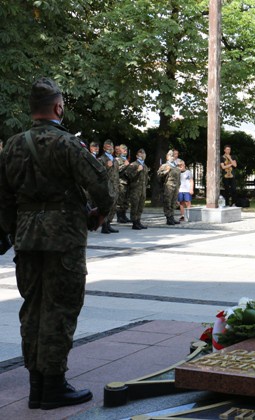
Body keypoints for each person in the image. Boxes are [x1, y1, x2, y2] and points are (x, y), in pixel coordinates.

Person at [0, 77, 112, 409]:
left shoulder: (13, 146)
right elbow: (103, 188)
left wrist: (15, 229)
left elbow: (3, 200)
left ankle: (37, 385)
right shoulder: (67, 145)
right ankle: (53, 386)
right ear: (58, 107)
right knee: (60, 310)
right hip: (64, 238)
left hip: (27, 240)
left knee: (32, 309)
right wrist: (99, 215)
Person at [97, 140, 120, 234]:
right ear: (104, 148)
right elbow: (98, 173)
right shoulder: (101, 159)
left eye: (111, 146)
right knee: (106, 206)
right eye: (108, 146)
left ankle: (109, 224)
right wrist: (106, 166)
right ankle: (104, 225)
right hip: (106, 187)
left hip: (115, 187)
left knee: (113, 207)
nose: (110, 148)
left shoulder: (115, 160)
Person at [125, 149, 149, 230]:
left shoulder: (145, 166)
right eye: (140, 154)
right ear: (137, 155)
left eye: (143, 154)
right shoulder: (133, 164)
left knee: (140, 206)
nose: (142, 155)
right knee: (134, 206)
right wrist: (137, 170)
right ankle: (134, 223)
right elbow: (129, 176)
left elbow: (146, 178)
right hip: (135, 189)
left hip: (142, 189)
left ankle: (138, 221)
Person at [158, 150, 181, 225]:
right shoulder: (164, 166)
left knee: (173, 203)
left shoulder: (176, 166)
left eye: (173, 155)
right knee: (168, 202)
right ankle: (168, 218)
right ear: (167, 157)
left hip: (176, 187)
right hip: (168, 187)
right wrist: (166, 171)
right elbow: (158, 175)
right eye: (170, 155)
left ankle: (172, 217)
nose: (172, 157)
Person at [115, 144, 131, 223]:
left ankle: (124, 215)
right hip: (121, 182)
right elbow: (117, 170)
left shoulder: (126, 159)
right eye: (123, 149)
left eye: (126, 149)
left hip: (127, 182)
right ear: (120, 151)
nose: (125, 151)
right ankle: (119, 217)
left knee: (126, 200)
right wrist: (125, 165)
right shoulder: (118, 159)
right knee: (120, 201)